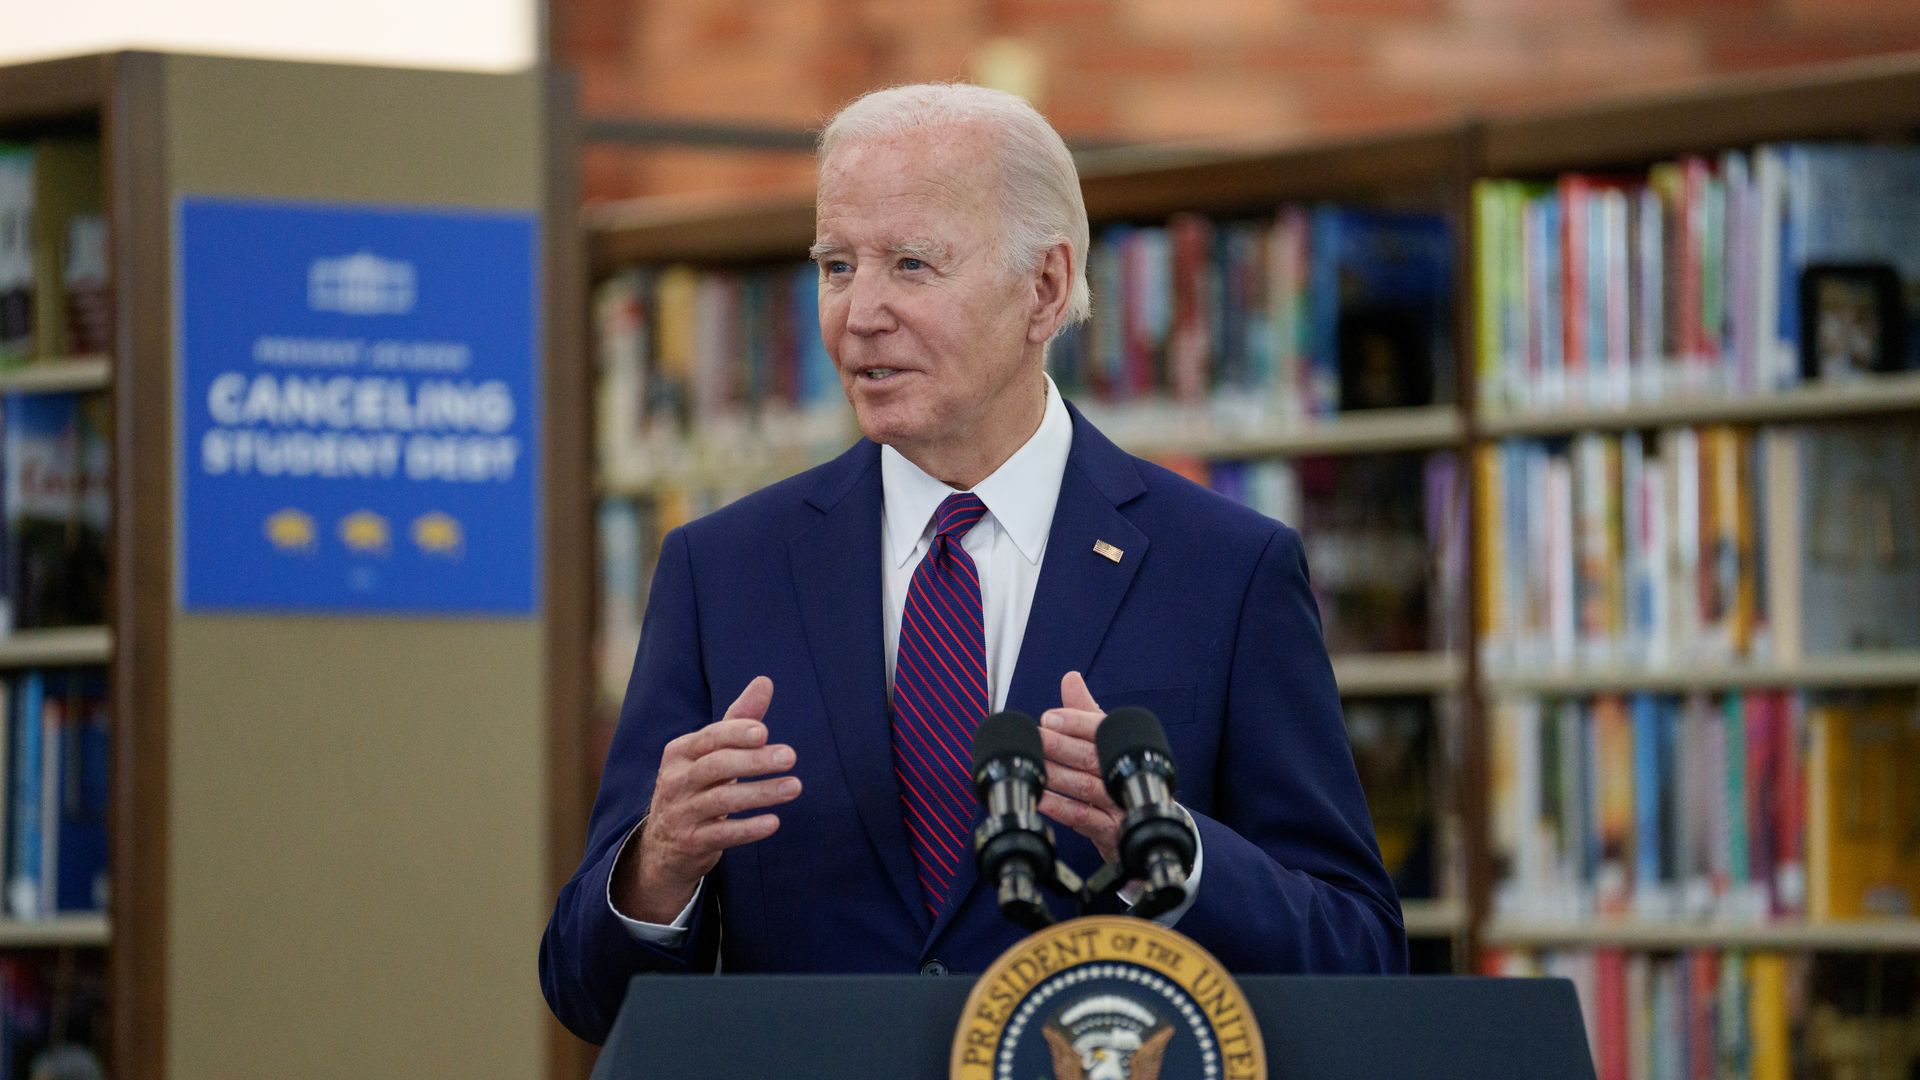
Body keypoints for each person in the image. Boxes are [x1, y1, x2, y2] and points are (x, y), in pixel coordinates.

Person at [541, 82, 1406, 1045]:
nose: (860, 313)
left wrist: (1176, 854)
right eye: (836, 266)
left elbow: (1359, 953)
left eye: (911, 265)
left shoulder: (1227, 571)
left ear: (1043, 288)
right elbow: (586, 996)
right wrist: (657, 866)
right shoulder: (722, 570)